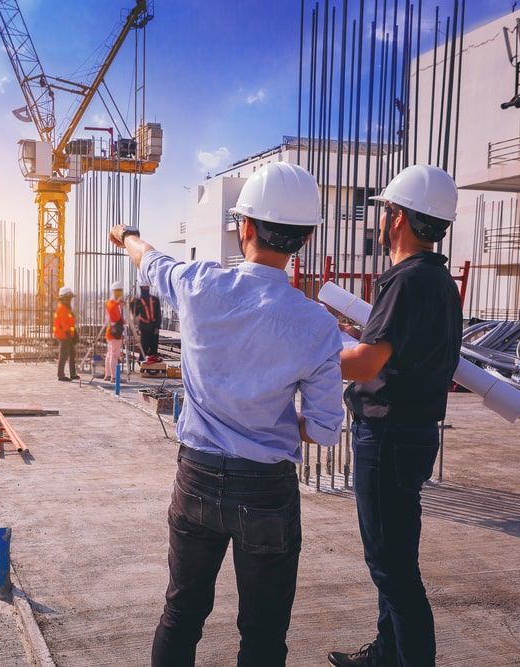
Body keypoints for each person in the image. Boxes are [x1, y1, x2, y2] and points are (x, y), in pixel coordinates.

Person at [111, 162, 345, 666]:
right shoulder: (317, 324)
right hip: (266, 489)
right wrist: (271, 422)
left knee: (182, 612)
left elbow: (148, 259)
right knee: (262, 635)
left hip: (195, 476)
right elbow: (325, 430)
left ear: (246, 227)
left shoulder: (199, 285)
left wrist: (127, 234)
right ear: (303, 237)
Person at [328, 165, 463, 667]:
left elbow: (365, 363)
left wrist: (310, 348)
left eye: (385, 211)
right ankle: (387, 654)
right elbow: (404, 350)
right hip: (413, 433)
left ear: (399, 217)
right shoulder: (439, 282)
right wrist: (351, 333)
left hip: (386, 435)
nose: (382, 221)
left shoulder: (404, 281)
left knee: (391, 568)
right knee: (395, 554)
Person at [53, 286, 80, 382]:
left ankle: (73, 374)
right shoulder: (63, 308)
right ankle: (61, 375)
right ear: (65, 298)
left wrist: (74, 333)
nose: (70, 299)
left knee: (72, 353)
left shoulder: (66, 308)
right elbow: (64, 324)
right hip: (64, 335)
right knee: (63, 354)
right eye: (69, 297)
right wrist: (70, 334)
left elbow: (70, 322)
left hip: (67, 334)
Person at [130, 282, 162, 358]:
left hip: (154, 327)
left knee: (154, 349)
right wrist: (132, 304)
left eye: (147, 286)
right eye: (144, 286)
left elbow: (158, 314)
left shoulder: (155, 299)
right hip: (144, 328)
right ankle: (142, 362)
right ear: (141, 287)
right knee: (144, 347)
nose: (146, 288)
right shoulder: (137, 301)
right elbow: (135, 314)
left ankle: (153, 364)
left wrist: (157, 327)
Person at [103, 280, 126, 381]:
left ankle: (108, 375)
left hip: (111, 332)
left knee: (110, 354)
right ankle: (114, 377)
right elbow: (115, 317)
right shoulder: (113, 304)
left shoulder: (112, 303)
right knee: (114, 355)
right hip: (114, 332)